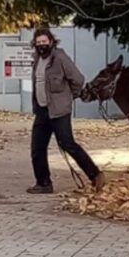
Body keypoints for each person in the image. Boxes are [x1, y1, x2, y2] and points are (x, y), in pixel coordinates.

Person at [28, 28, 106, 194]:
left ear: (51, 41)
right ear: (35, 44)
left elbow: (78, 79)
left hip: (59, 111)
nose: (42, 45)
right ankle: (43, 183)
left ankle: (96, 175)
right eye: (38, 42)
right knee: (37, 148)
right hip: (42, 111)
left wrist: (71, 96)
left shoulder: (60, 58)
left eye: (44, 42)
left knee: (68, 144)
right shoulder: (36, 60)